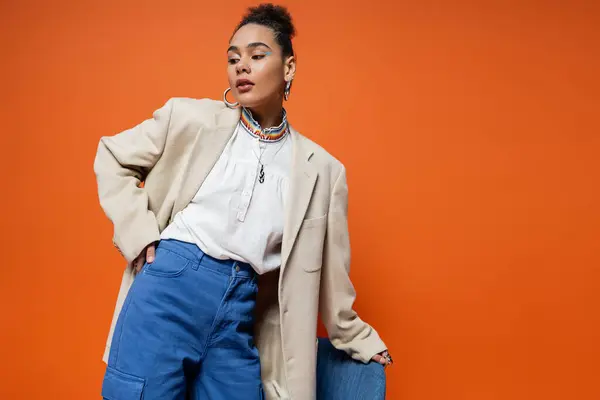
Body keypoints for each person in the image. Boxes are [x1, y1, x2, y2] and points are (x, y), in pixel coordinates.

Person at [94, 3, 392, 399]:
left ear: (288, 68)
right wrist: (140, 233)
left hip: (240, 310)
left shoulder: (322, 171)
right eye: (233, 58)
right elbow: (112, 156)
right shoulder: (189, 118)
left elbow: (333, 278)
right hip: (170, 287)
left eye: (257, 55)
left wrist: (357, 338)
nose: (241, 67)